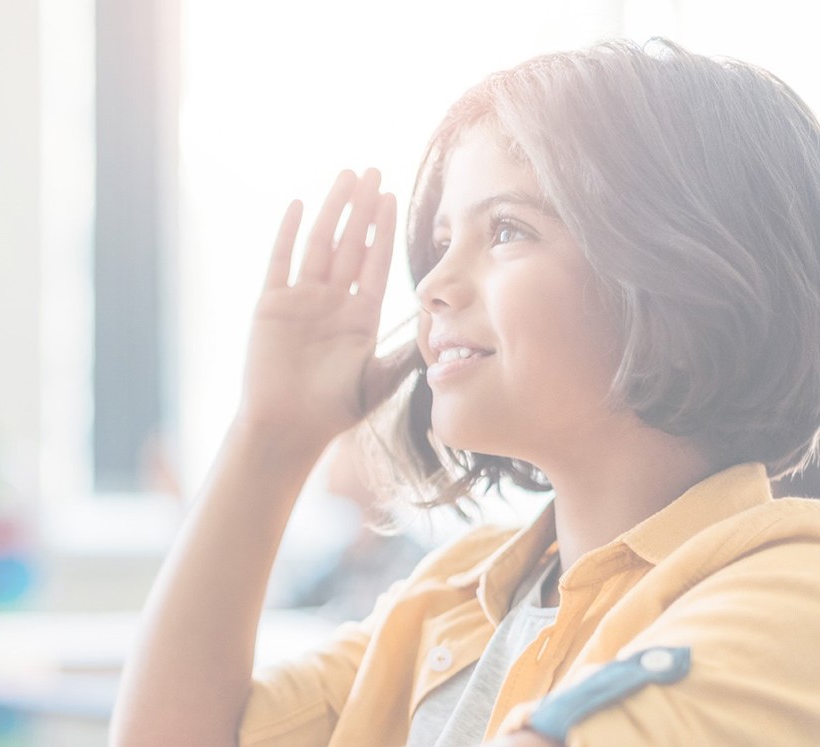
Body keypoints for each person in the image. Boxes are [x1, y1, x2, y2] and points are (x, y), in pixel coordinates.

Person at [112, 39, 820, 747]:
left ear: (685, 292)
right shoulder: (454, 596)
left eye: (507, 230)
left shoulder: (790, 592)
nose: (429, 286)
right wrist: (271, 435)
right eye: (444, 239)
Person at [268, 428, 430, 624]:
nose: (327, 462)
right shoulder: (347, 553)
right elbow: (289, 605)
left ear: (372, 462)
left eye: (340, 447)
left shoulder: (408, 561)